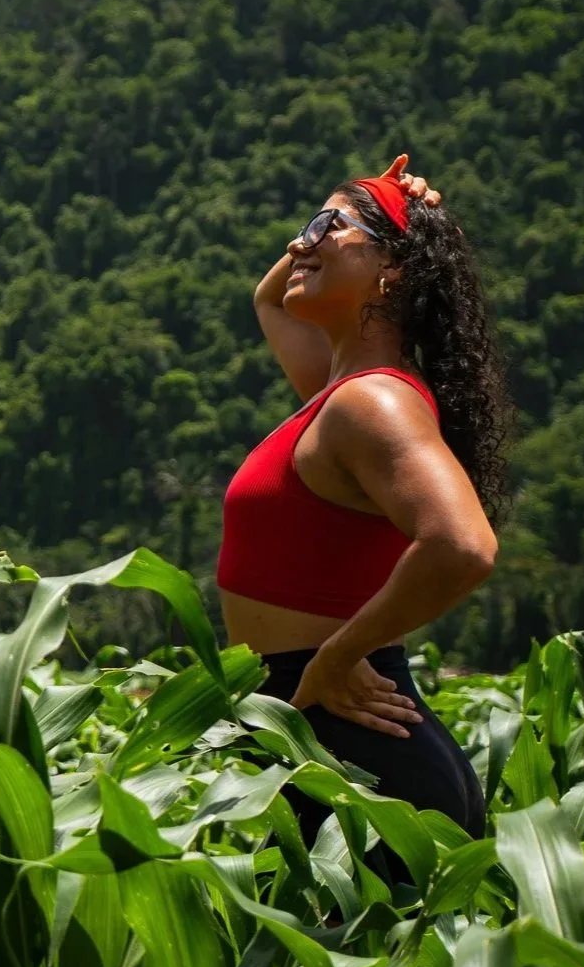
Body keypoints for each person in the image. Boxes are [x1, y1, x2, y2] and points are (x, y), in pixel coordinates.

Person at [216, 154, 512, 864]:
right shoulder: (334, 388)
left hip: (355, 746)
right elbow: (267, 298)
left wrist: (335, 656)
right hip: (328, 733)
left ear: (393, 270)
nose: (298, 243)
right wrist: (370, 203)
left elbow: (463, 545)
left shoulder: (369, 402)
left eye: (328, 226)